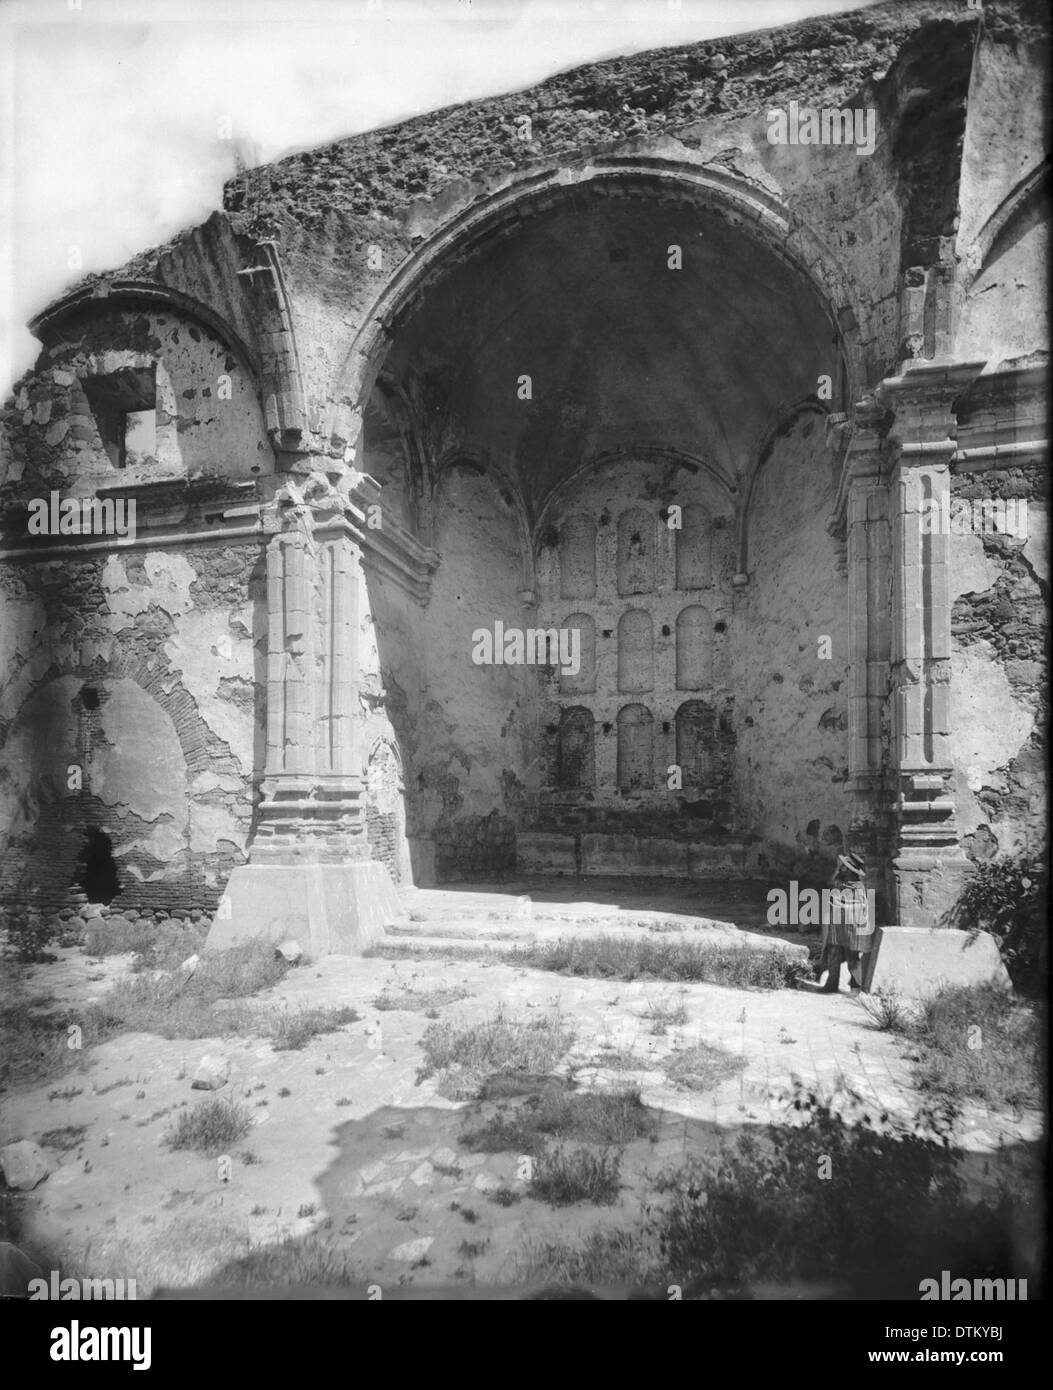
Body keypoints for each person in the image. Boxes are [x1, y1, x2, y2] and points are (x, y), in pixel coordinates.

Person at [818, 850, 874, 994]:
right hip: (836, 928)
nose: (841, 868)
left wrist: (841, 905)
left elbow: (860, 907)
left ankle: (855, 987)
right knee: (833, 955)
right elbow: (833, 898)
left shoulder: (859, 887)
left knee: (852, 959)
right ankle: (831, 984)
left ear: (850, 871)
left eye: (843, 867)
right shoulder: (839, 882)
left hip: (851, 929)